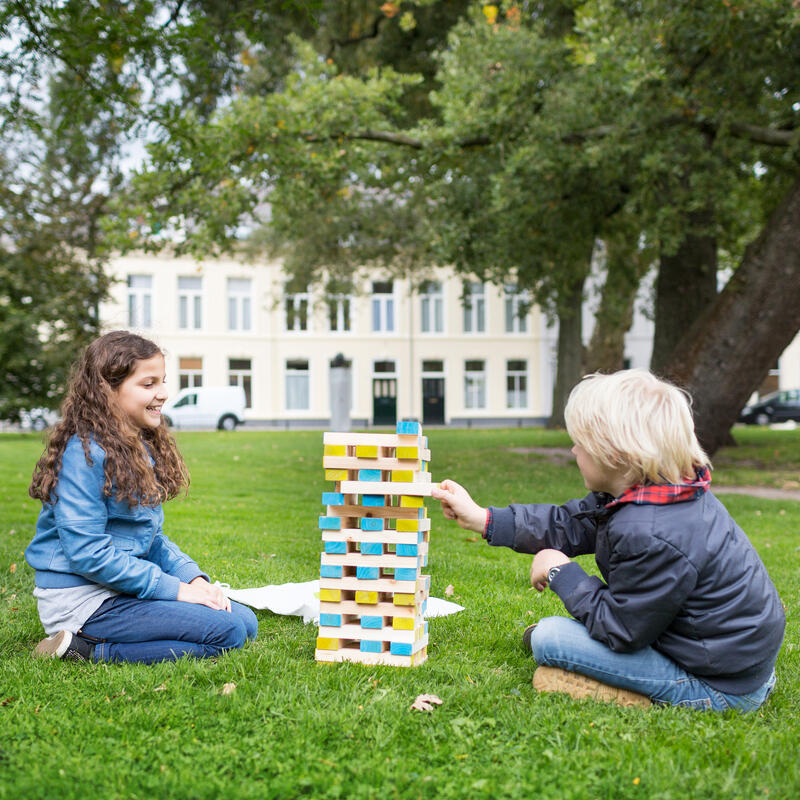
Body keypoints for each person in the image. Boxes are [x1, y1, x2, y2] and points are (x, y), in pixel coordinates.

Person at [431, 369, 785, 711]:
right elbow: (566, 523)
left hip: (718, 684)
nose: (573, 451)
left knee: (549, 638)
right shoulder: (654, 494)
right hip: (723, 657)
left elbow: (623, 630)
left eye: (581, 444)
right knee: (558, 635)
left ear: (615, 455)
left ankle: (606, 678)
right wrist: (483, 518)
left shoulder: (651, 531)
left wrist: (561, 573)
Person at [26, 331, 258, 664]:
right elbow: (88, 554)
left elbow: (151, 540)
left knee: (245, 621)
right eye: (148, 384)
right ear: (108, 390)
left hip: (119, 588)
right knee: (228, 633)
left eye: (162, 382)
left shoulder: (138, 447)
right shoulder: (83, 454)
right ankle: (86, 650)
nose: (162, 394)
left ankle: (111, 635)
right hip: (82, 598)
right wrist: (178, 591)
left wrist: (194, 579)